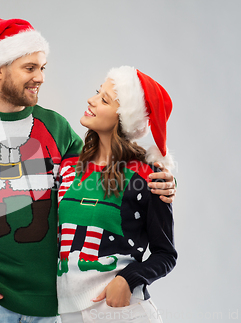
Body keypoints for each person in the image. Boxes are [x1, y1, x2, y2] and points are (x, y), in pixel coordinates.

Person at [0, 18, 176, 323]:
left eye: (43, 67)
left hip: (51, 309)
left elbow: (104, 171)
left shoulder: (56, 127)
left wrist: (162, 180)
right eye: (30, 68)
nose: (40, 77)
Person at [56, 66, 177, 323]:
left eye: (104, 100)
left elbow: (166, 254)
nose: (91, 100)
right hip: (67, 314)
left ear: (123, 117)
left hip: (123, 313)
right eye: (97, 93)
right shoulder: (68, 168)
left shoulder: (148, 177)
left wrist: (128, 278)